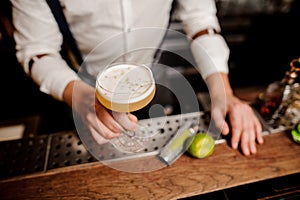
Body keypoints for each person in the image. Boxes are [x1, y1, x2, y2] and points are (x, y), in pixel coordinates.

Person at [10, 0, 263, 156]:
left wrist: (223, 93)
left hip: (149, 76)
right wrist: (80, 95)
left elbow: (201, 21)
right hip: (81, 84)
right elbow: (37, 51)